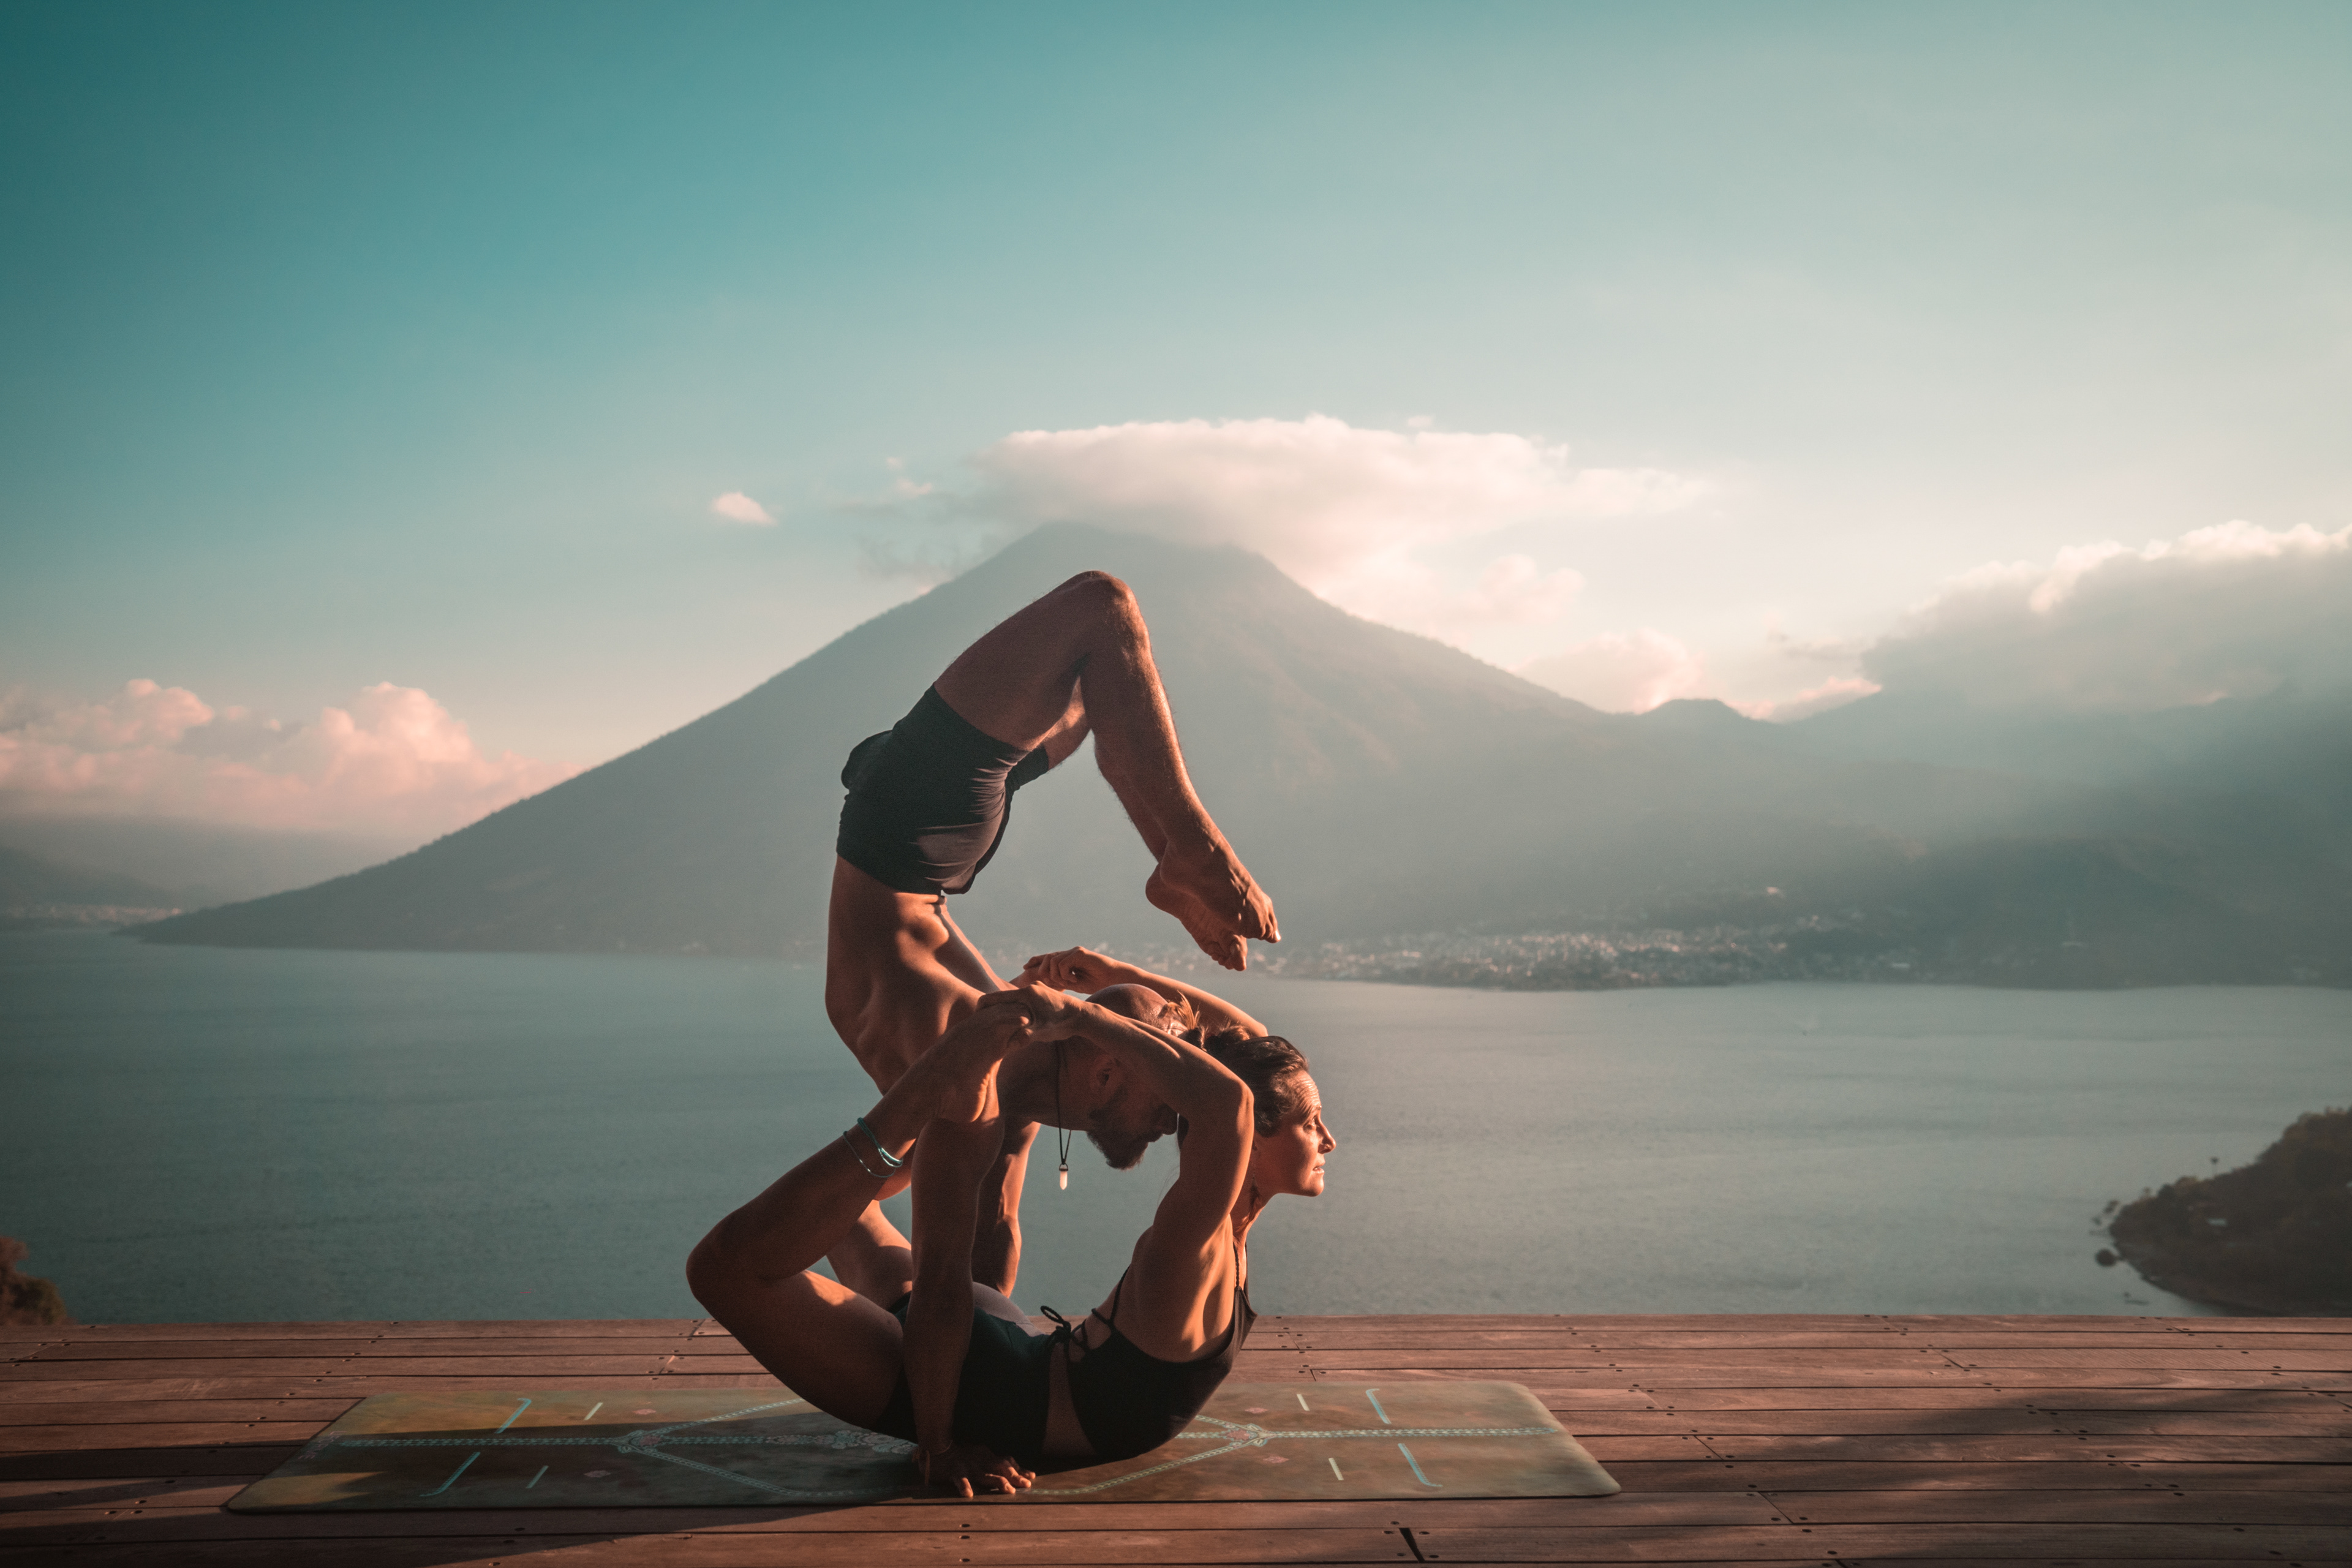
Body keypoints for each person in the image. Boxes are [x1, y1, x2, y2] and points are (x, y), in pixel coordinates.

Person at [818, 570, 1281, 1491]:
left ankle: (1180, 853)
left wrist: (961, 1426)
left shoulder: (990, 1080)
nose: (1173, 1112)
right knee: (1095, 655)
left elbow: (959, 1281)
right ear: (1100, 1074)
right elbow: (968, 1275)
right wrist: (967, 1425)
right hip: (926, 852)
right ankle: (1182, 848)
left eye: (1167, 1098)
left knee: (1098, 629)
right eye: (1168, 1083)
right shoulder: (1014, 1083)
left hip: (909, 835)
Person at [686, 980, 1334, 1494]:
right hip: (980, 1383)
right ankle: (922, 1091)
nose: (1170, 1118)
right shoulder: (1194, 1237)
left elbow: (1248, 1058)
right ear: (1109, 1073)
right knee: (722, 1269)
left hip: (1004, 1340)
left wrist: (1105, 987)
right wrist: (937, 1447)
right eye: (1312, 1123)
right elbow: (1233, 1103)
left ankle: (922, 1107)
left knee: (852, 1217)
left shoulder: (1224, 1219)